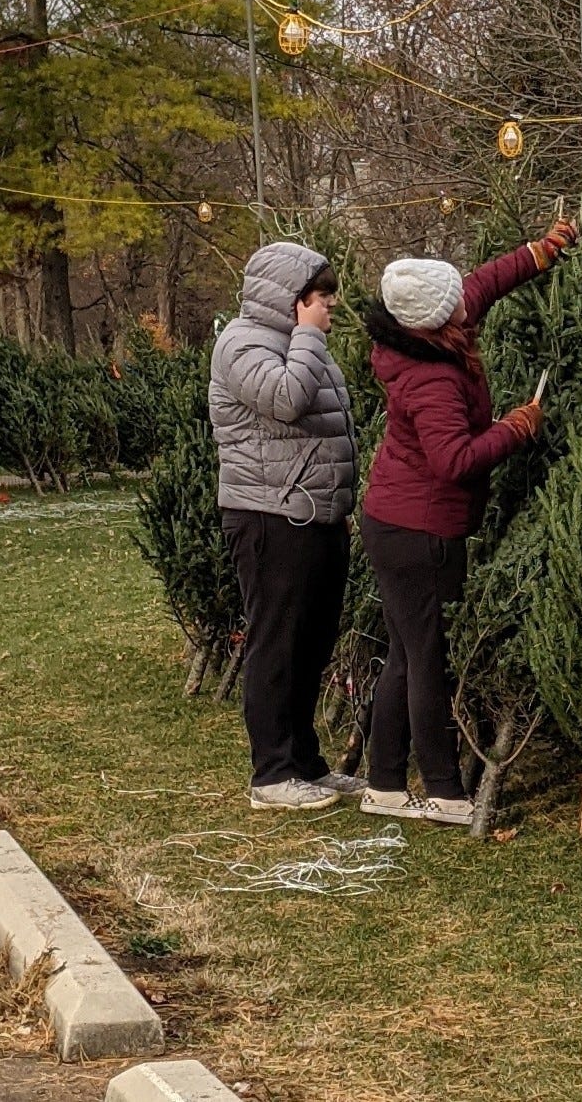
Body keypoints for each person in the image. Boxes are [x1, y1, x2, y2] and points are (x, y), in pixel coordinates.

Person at [357, 217, 580, 825]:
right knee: (425, 657)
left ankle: (382, 786)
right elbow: (453, 461)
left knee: (406, 653)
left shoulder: (425, 332)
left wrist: (540, 251)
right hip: (418, 532)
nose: (467, 304)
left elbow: (481, 284)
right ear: (436, 319)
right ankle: (445, 792)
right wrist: (515, 428)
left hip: (397, 520)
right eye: (456, 303)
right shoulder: (430, 377)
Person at [210, 242, 367, 811]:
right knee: (277, 642)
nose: (330, 309)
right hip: (270, 515)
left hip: (317, 514)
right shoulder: (242, 344)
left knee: (312, 642)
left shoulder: (300, 344)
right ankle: (271, 774)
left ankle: (305, 762)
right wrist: (306, 336)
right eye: (323, 299)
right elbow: (286, 400)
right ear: (294, 300)